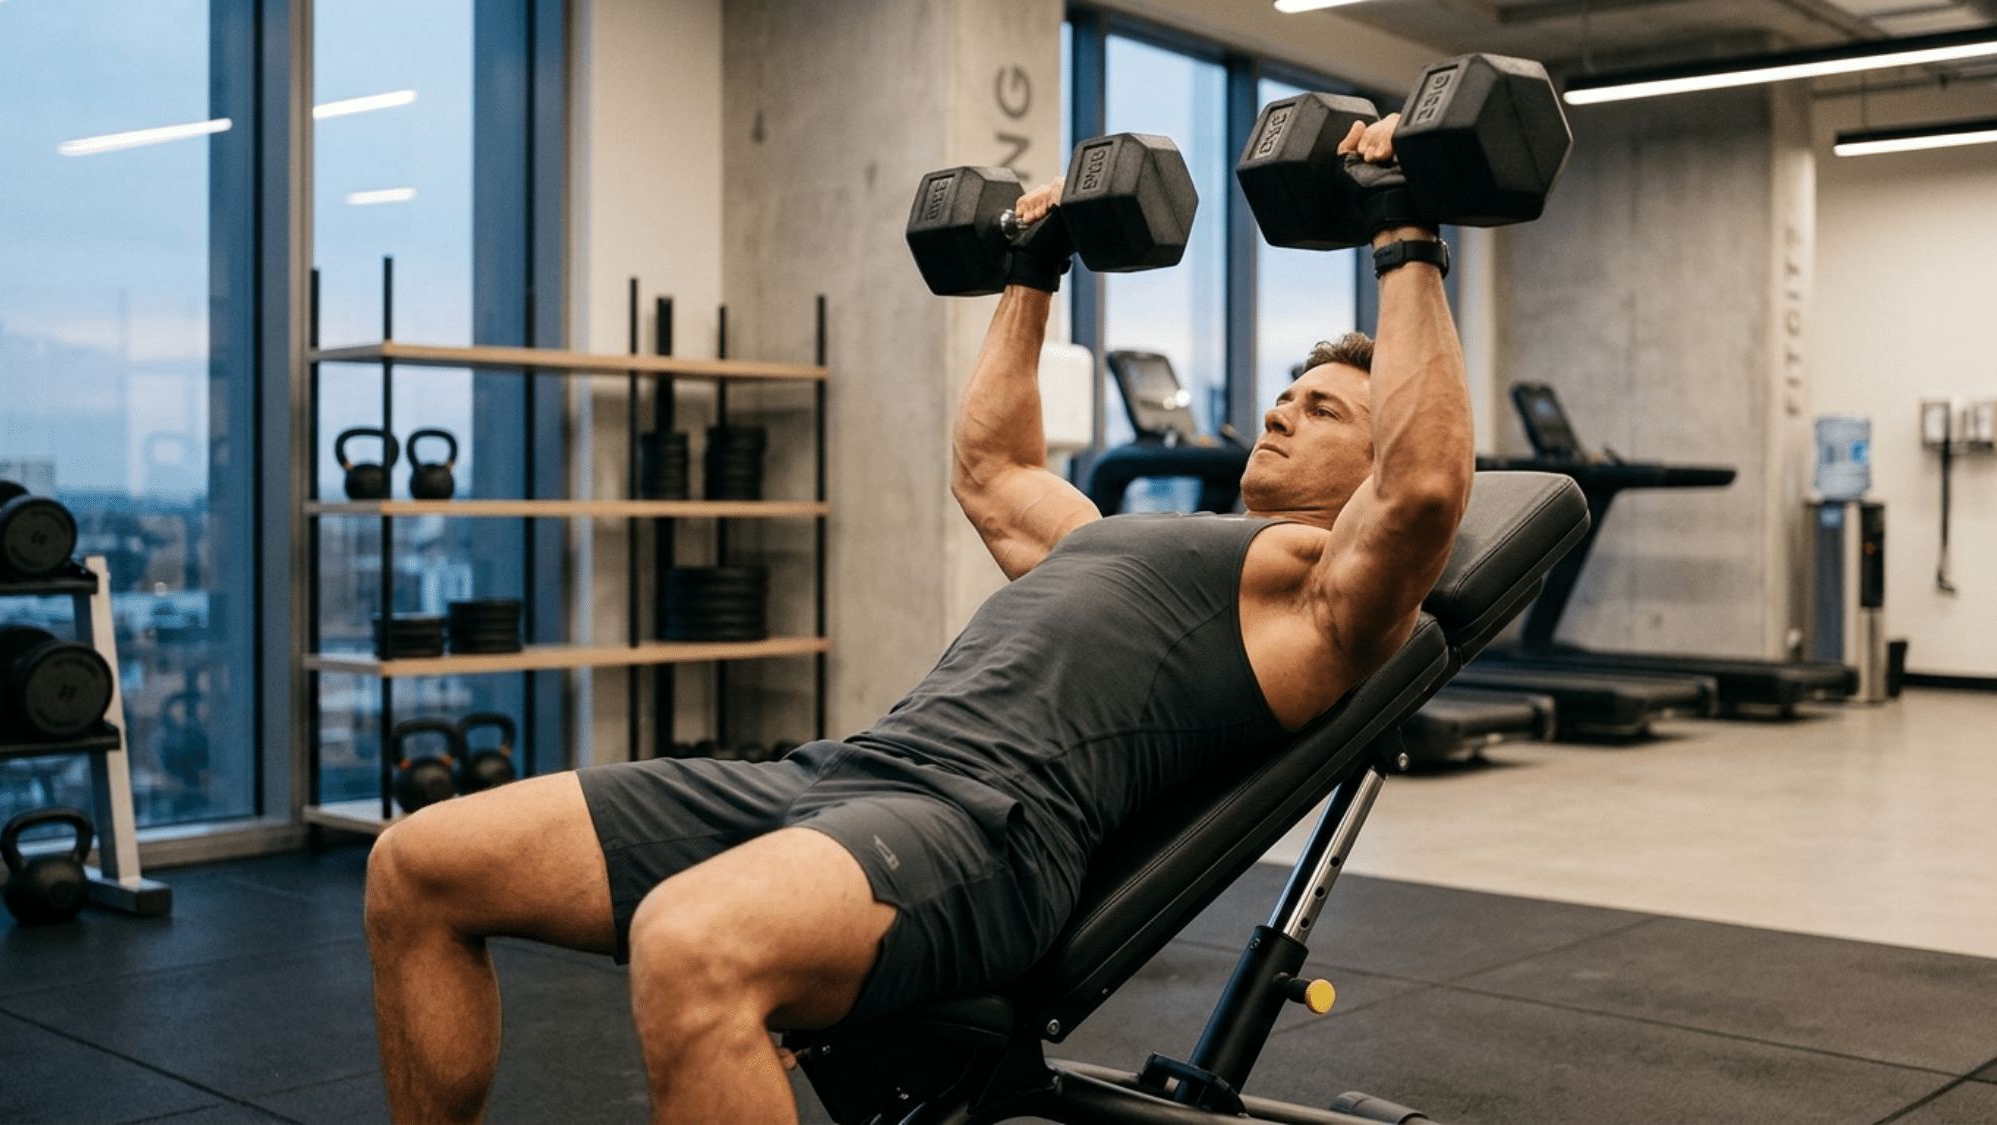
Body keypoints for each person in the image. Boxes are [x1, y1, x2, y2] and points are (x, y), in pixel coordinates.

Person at [362, 112, 1471, 1124]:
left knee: (689, 945)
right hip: (832, 779)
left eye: (1322, 407)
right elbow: (991, 466)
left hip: (980, 832)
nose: (1281, 406)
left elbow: (1423, 490)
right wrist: (1029, 275)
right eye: (1287, 388)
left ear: (1370, 460)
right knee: (419, 865)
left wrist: (1400, 228)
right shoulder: (1117, 534)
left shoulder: (1322, 596)